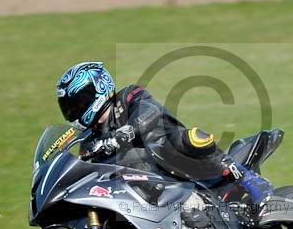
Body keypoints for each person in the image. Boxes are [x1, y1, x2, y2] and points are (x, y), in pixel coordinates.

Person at [55, 61, 274, 207]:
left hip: (181, 160)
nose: (75, 111)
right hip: (150, 193)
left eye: (80, 102)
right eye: (70, 107)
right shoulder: (90, 142)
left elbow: (151, 111)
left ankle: (249, 179)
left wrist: (124, 133)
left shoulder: (129, 96)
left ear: (100, 87)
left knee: (185, 139)